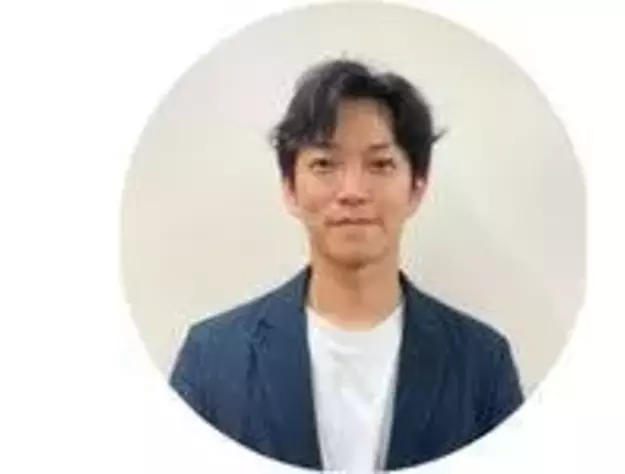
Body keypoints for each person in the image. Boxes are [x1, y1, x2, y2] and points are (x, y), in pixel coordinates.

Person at [169, 58, 524, 472]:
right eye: (325, 164)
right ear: (290, 189)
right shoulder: (212, 359)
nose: (353, 191)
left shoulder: (482, 364)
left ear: (416, 188)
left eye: (380, 164)